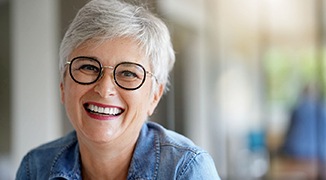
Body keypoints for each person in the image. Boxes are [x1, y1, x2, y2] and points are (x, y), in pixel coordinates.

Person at [16, 0, 220, 179]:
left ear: (154, 96)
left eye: (128, 73)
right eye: (88, 67)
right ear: (63, 84)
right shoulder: (35, 168)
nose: (104, 89)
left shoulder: (186, 170)